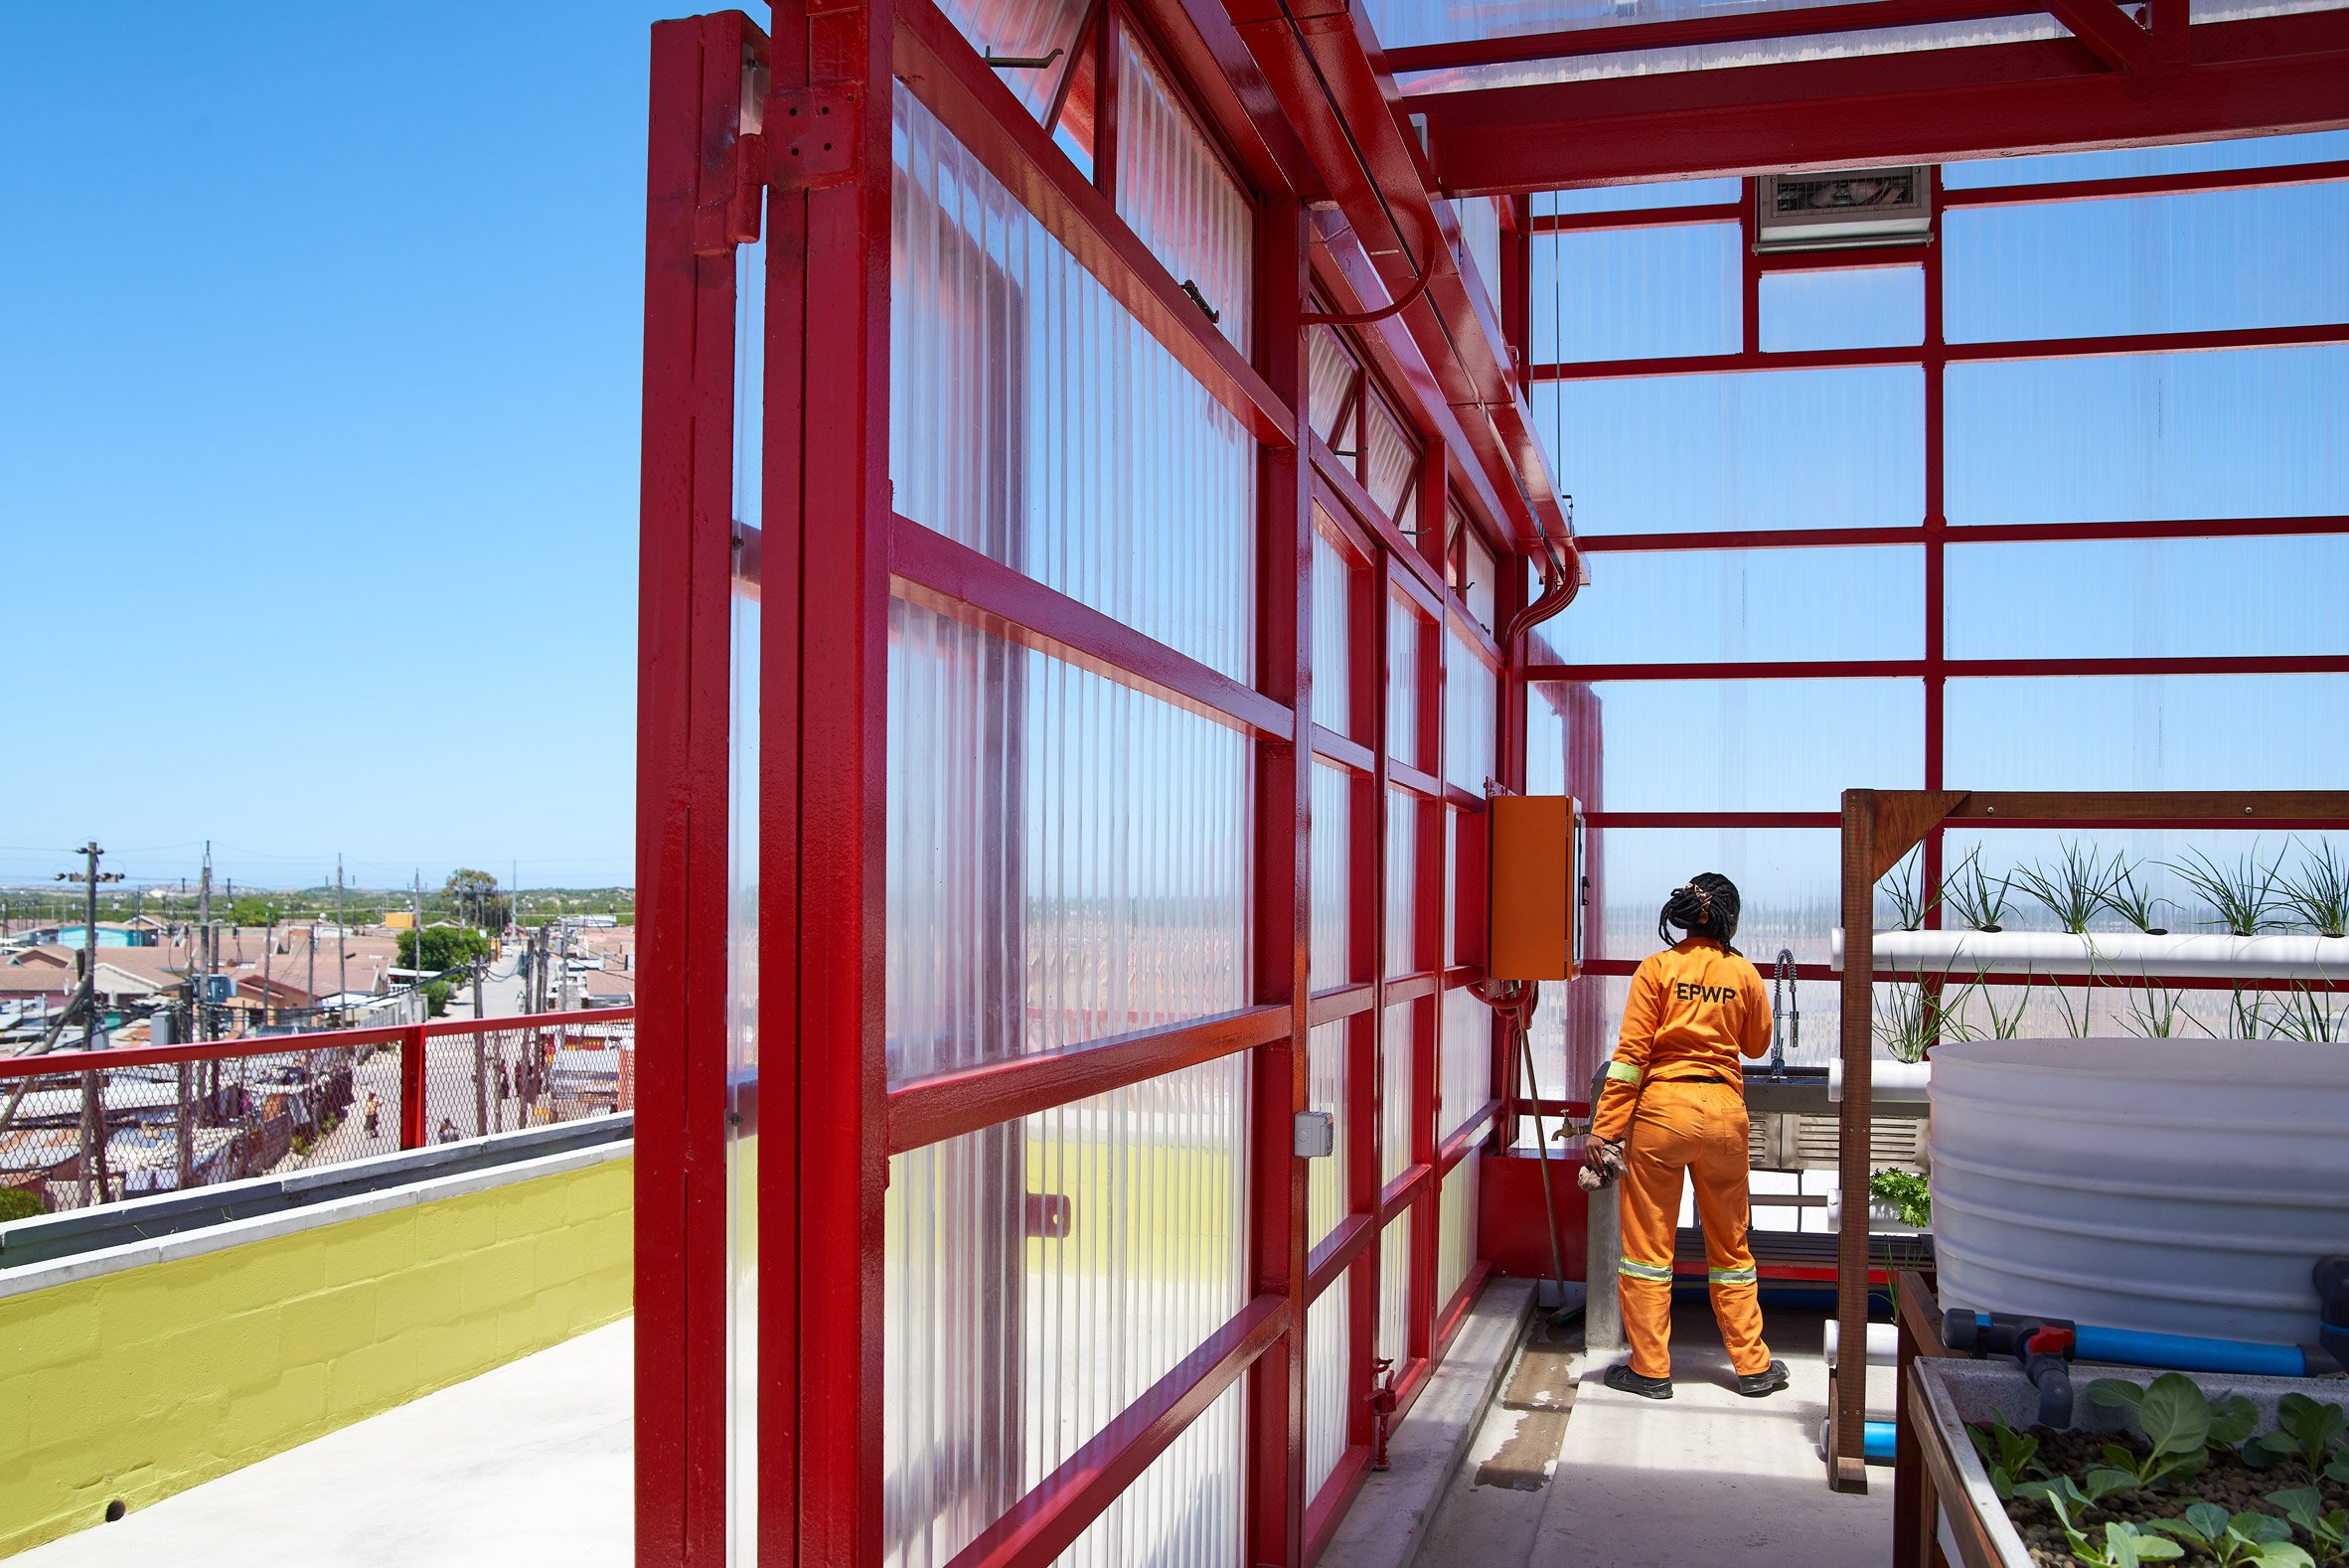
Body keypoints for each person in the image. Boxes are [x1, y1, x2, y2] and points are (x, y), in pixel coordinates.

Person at [1579, 872, 1789, 1400]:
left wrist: (1603, 1132)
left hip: (1662, 1118)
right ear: (1728, 919)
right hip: (1724, 1117)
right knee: (1731, 1247)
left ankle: (1650, 1369)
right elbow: (1758, 1044)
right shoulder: (1742, 972)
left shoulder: (1657, 969)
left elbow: (1629, 1062)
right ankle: (1753, 1367)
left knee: (1648, 1249)